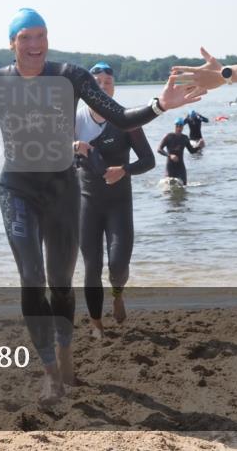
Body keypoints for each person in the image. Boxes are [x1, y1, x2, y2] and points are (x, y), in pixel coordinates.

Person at [0, 9, 204, 405]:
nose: (35, 44)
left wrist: (159, 106)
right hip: (17, 188)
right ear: (11, 43)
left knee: (60, 284)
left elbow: (119, 116)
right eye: (26, 37)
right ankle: (49, 372)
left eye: (41, 35)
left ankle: (65, 352)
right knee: (31, 278)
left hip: (62, 190)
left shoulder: (71, 76)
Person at [73, 62, 155, 340]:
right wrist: (74, 147)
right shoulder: (75, 120)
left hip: (119, 203)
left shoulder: (126, 119)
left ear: (114, 88)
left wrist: (124, 170)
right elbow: (54, 155)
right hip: (87, 202)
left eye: (108, 82)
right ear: (88, 88)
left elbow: (149, 160)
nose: (103, 86)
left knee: (118, 265)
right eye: (97, 82)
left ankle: (118, 293)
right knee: (92, 267)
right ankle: (96, 323)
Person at [157, 118, 201, 184]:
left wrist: (199, 146)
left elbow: (191, 151)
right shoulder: (169, 136)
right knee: (169, 186)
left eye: (180, 125)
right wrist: (170, 155)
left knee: (184, 186)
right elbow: (159, 149)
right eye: (177, 125)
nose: (179, 127)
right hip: (170, 167)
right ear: (175, 126)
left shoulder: (185, 138)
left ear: (183, 127)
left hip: (180, 167)